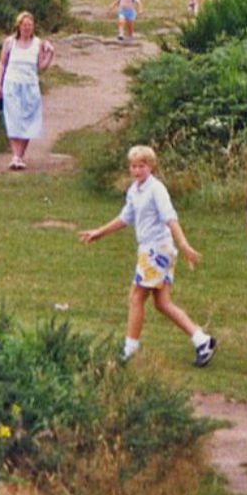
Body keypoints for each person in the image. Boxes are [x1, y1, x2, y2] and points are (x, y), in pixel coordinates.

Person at [80, 145, 216, 367]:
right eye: (133, 166)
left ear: (151, 167)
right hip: (148, 249)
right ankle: (202, 340)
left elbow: (170, 218)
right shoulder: (134, 190)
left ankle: (130, 350)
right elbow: (125, 218)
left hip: (157, 250)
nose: (136, 171)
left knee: (136, 298)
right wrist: (99, 232)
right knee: (162, 303)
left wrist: (184, 245)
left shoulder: (156, 189)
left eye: (141, 166)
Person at [0, 11, 54, 171]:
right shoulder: (10, 42)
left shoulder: (37, 43)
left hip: (30, 85)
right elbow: (1, 63)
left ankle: (19, 156)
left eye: (30, 25)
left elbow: (40, 67)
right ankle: (15, 155)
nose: (27, 28)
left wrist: (50, 55)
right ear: (19, 26)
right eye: (25, 25)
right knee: (14, 118)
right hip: (12, 84)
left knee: (28, 119)